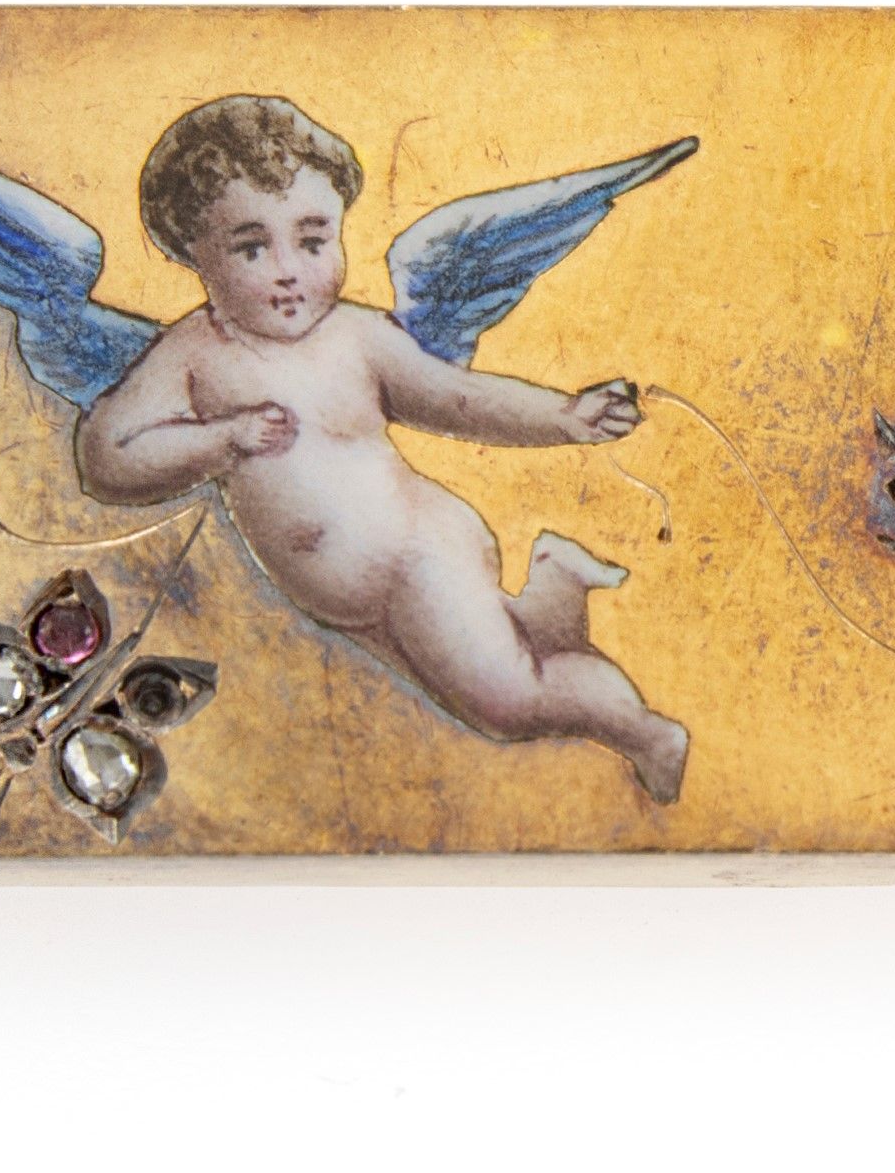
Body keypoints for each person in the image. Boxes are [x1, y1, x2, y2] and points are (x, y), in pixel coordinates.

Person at [75, 96, 689, 803]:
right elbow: (104, 458)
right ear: (194, 251)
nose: (287, 270)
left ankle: (649, 736)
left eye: (312, 241)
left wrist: (565, 417)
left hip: (419, 558)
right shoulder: (190, 357)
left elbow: (457, 400)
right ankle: (557, 583)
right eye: (251, 248)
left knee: (512, 701)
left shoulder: (356, 339)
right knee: (501, 678)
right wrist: (220, 439)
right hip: (354, 605)